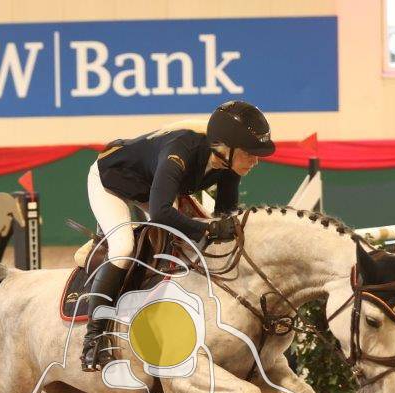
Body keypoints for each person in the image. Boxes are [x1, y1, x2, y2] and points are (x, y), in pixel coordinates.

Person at [79, 100, 276, 371]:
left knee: (182, 244)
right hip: (111, 180)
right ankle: (93, 339)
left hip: (153, 187)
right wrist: (207, 229)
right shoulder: (180, 150)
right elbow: (161, 213)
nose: (256, 161)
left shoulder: (229, 165)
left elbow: (224, 216)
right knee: (123, 248)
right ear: (226, 148)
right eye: (250, 153)